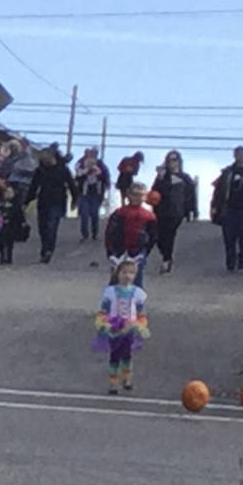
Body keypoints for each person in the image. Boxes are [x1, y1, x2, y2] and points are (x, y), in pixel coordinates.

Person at [89, 257, 148, 394]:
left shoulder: (137, 294)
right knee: (114, 355)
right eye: (124, 272)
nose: (127, 276)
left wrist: (141, 324)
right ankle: (113, 383)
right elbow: (103, 310)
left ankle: (127, 379)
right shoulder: (110, 292)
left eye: (131, 273)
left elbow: (141, 312)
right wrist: (103, 323)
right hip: (114, 328)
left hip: (130, 328)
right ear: (118, 273)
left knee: (127, 355)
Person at [105, 181, 159, 306]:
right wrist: (110, 251)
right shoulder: (120, 213)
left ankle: (137, 308)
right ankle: (109, 307)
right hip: (119, 250)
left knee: (136, 279)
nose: (137, 198)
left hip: (138, 251)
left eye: (141, 195)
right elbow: (110, 233)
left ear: (145, 197)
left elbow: (153, 236)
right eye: (134, 194)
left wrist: (145, 250)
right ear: (128, 195)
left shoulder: (149, 216)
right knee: (116, 279)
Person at [148, 151, 197, 275]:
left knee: (169, 235)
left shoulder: (185, 177)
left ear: (179, 161)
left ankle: (166, 260)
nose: (172, 162)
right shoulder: (162, 177)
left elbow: (191, 195)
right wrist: (160, 177)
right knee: (158, 236)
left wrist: (192, 210)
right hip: (161, 211)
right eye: (169, 160)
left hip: (176, 212)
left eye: (174, 160)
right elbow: (155, 192)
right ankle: (166, 256)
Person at [27, 145, 73, 263]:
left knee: (52, 226)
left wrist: (75, 199)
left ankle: (49, 250)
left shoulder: (62, 169)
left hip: (58, 201)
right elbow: (34, 186)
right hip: (43, 201)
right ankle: (45, 248)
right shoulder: (40, 170)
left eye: (46, 160)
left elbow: (71, 184)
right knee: (42, 227)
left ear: (52, 158)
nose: (44, 162)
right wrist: (27, 201)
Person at [75, 148, 110, 241]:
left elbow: (105, 177)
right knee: (84, 214)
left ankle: (95, 233)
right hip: (84, 193)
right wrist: (86, 170)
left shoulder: (100, 165)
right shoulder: (80, 163)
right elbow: (78, 176)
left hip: (96, 193)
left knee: (94, 214)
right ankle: (85, 235)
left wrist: (98, 172)